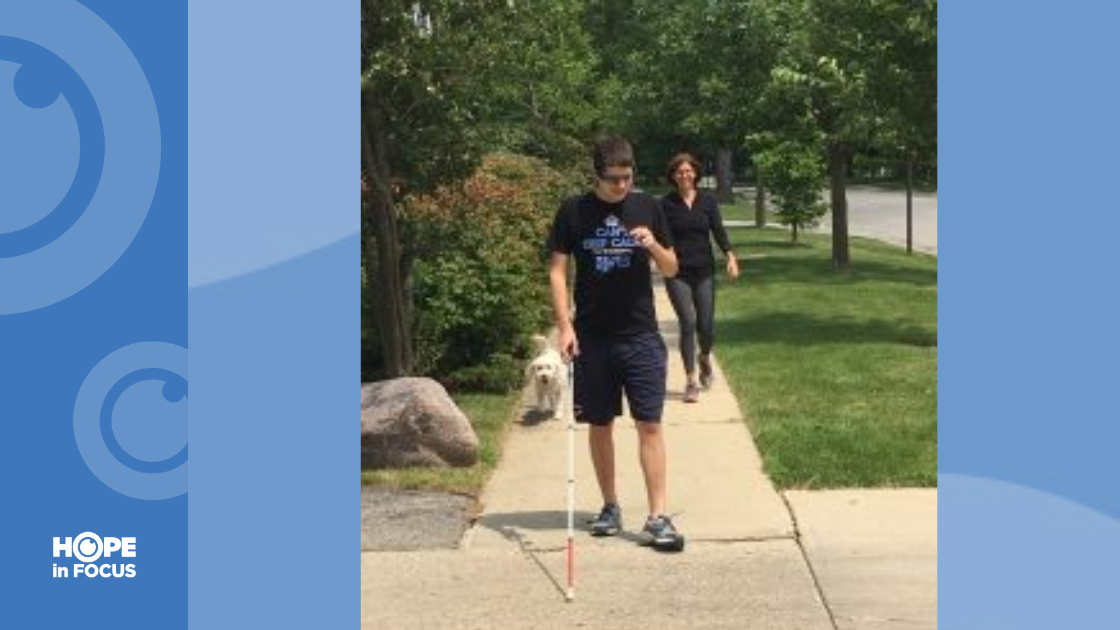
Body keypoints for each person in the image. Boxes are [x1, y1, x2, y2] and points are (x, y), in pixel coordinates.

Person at [546, 137, 685, 551]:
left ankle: (658, 516)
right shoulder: (574, 210)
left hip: (640, 334)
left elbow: (673, 267)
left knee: (650, 424)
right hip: (592, 336)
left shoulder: (649, 207)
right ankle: (610, 505)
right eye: (613, 180)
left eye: (628, 178)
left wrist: (653, 245)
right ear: (596, 176)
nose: (622, 187)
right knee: (600, 424)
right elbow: (557, 270)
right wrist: (564, 327)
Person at [660, 152, 740, 403]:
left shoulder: (707, 201)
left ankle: (704, 356)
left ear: (695, 173)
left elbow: (718, 230)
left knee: (706, 326)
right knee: (688, 321)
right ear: (673, 176)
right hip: (676, 273)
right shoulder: (666, 204)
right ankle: (691, 381)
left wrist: (730, 255)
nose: (685, 175)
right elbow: (663, 235)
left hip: (704, 271)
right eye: (679, 171)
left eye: (689, 170)